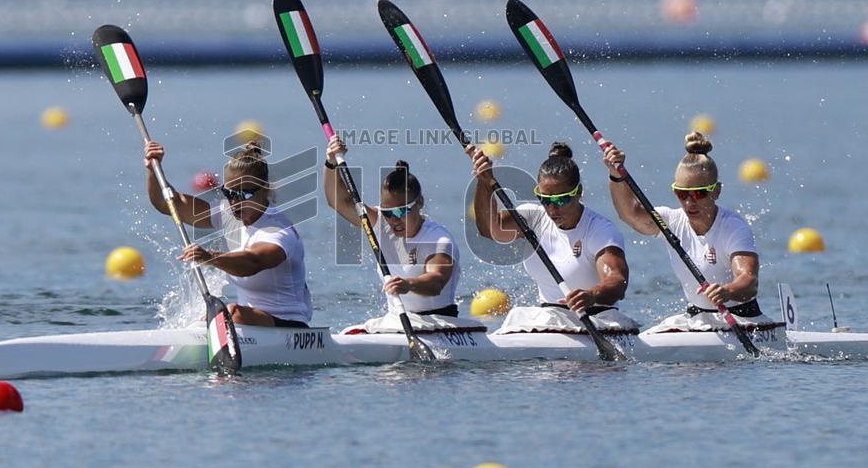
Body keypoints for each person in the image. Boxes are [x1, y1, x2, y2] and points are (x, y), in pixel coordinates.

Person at [603, 132, 772, 331]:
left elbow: (749, 282)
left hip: (742, 318)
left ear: (716, 191)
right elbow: (629, 214)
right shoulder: (671, 221)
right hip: (698, 318)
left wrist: (727, 291)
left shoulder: (734, 227)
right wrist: (615, 175)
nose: (689, 202)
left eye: (699, 193)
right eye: (682, 194)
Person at [470, 142, 637, 334]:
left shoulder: (600, 230)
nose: (552, 209)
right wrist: (484, 183)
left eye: (561, 199)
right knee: (517, 315)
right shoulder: (532, 219)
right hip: (549, 319)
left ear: (578, 192)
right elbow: (489, 230)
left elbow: (617, 282)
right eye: (545, 199)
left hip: (597, 318)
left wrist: (592, 295)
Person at [144, 139, 312, 328]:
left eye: (243, 195)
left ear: (264, 189)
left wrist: (211, 257)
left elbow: (253, 261)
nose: (235, 202)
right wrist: (153, 169)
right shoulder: (228, 215)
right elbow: (169, 204)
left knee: (232, 312)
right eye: (229, 193)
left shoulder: (277, 231)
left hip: (290, 326)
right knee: (222, 314)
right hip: (250, 323)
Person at [324, 136, 466, 330]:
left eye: (401, 211)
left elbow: (436, 281)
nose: (394, 220)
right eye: (388, 212)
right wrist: (331, 162)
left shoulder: (439, 240)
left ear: (420, 203)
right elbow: (338, 201)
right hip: (397, 321)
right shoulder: (379, 223)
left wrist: (408, 284)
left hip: (440, 323)